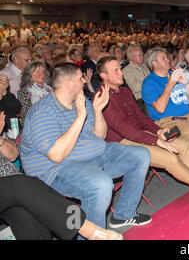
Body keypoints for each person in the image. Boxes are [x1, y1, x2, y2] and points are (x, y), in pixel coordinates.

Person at [19, 63, 152, 230]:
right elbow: (56, 155)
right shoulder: (43, 112)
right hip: (57, 170)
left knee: (140, 155)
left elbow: (100, 136)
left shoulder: (81, 101)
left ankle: (123, 214)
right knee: (101, 183)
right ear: (68, 83)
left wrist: (97, 111)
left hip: (92, 156)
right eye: (80, 78)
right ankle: (92, 234)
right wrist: (80, 116)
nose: (84, 81)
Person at [97, 56, 189, 207]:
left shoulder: (124, 91)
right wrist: (154, 140)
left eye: (120, 69)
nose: (121, 73)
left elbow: (140, 117)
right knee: (171, 159)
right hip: (122, 143)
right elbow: (123, 128)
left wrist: (157, 131)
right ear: (103, 76)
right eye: (116, 70)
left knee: (183, 146)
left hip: (139, 134)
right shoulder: (101, 96)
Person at [0, 112, 122, 240]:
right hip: (15, 185)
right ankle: (85, 227)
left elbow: (13, 155)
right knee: (21, 185)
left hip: (11, 189)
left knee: (26, 216)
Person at [17, 61, 52, 126]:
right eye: (38, 71)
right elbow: (27, 114)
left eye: (43, 72)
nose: (42, 74)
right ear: (29, 75)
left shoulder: (49, 89)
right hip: (35, 123)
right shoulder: (25, 91)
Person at [122, 44, 150, 112]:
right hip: (142, 101)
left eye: (142, 54)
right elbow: (136, 88)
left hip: (151, 95)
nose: (142, 57)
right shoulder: (127, 70)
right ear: (131, 57)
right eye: (139, 55)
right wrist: (150, 82)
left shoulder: (145, 66)